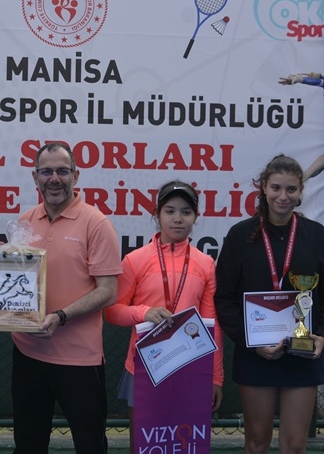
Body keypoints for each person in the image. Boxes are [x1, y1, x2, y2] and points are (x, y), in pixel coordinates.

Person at [214, 154, 324, 454]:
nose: (283, 196)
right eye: (276, 188)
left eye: (290, 189)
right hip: (256, 354)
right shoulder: (240, 235)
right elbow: (224, 298)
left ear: (300, 192)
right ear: (263, 188)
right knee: (257, 442)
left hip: (303, 353)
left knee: (295, 445)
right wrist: (251, 343)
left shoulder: (316, 235)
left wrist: (322, 336)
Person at [12, 142, 121, 454]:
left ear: (76, 175)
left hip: (79, 359)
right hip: (28, 352)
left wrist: (61, 316)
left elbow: (108, 291)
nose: (54, 179)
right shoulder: (25, 222)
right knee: (28, 445)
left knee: (90, 445)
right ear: (35, 177)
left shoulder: (96, 223)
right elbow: (14, 278)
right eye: (46, 172)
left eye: (62, 171)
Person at [105, 180, 224, 452]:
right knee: (146, 444)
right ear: (157, 214)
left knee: (185, 444)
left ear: (196, 217)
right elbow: (112, 311)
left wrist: (216, 377)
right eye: (170, 211)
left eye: (186, 212)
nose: (178, 218)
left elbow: (212, 325)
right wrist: (144, 312)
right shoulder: (135, 260)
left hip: (191, 368)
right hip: (145, 367)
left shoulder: (206, 264)